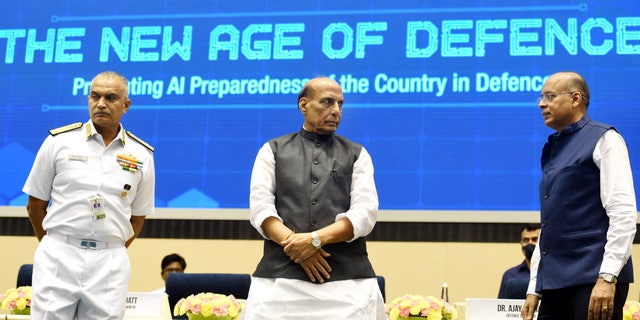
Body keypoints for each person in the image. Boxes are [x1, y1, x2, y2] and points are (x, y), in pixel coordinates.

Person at [240, 77, 386, 320]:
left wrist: (315, 241)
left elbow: (365, 213)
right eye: (327, 102)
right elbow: (260, 209)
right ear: (303, 105)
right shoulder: (272, 150)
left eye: (340, 104)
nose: (336, 111)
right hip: (279, 283)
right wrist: (298, 247)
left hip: (348, 284)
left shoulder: (357, 153)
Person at [22, 71, 155, 320]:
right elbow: (35, 205)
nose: (101, 103)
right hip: (59, 254)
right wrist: (56, 244)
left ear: (126, 105)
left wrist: (109, 248)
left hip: (110, 261)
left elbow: (138, 217)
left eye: (111, 97)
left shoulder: (142, 155)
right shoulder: (58, 143)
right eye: (95, 96)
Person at [521, 71, 636, 320]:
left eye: (550, 96)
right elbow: (549, 225)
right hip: (553, 284)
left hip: (594, 278)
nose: (542, 103)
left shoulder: (606, 139)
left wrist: (607, 276)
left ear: (575, 99)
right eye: (541, 97)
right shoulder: (553, 148)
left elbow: (623, 213)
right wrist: (534, 289)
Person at [498, 224, 541, 299]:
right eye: (526, 240)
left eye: (534, 239)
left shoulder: (550, 274)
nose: (529, 243)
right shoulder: (510, 275)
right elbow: (500, 306)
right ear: (521, 243)